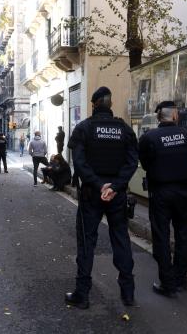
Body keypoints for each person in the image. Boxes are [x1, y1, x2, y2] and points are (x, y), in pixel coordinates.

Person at [66, 86, 139, 309]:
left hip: (91, 193)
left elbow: (79, 162)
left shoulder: (84, 128)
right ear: (110, 104)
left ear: (94, 104)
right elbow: (131, 162)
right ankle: (128, 294)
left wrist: (99, 185)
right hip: (116, 195)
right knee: (121, 240)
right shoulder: (124, 130)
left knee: (87, 242)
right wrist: (115, 187)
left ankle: (82, 294)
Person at [138, 101, 187, 297]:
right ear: (175, 116)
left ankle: (168, 283)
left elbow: (145, 163)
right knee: (182, 234)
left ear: (158, 117)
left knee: (161, 237)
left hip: (161, 192)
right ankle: (180, 278)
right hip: (182, 191)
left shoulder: (149, 137)